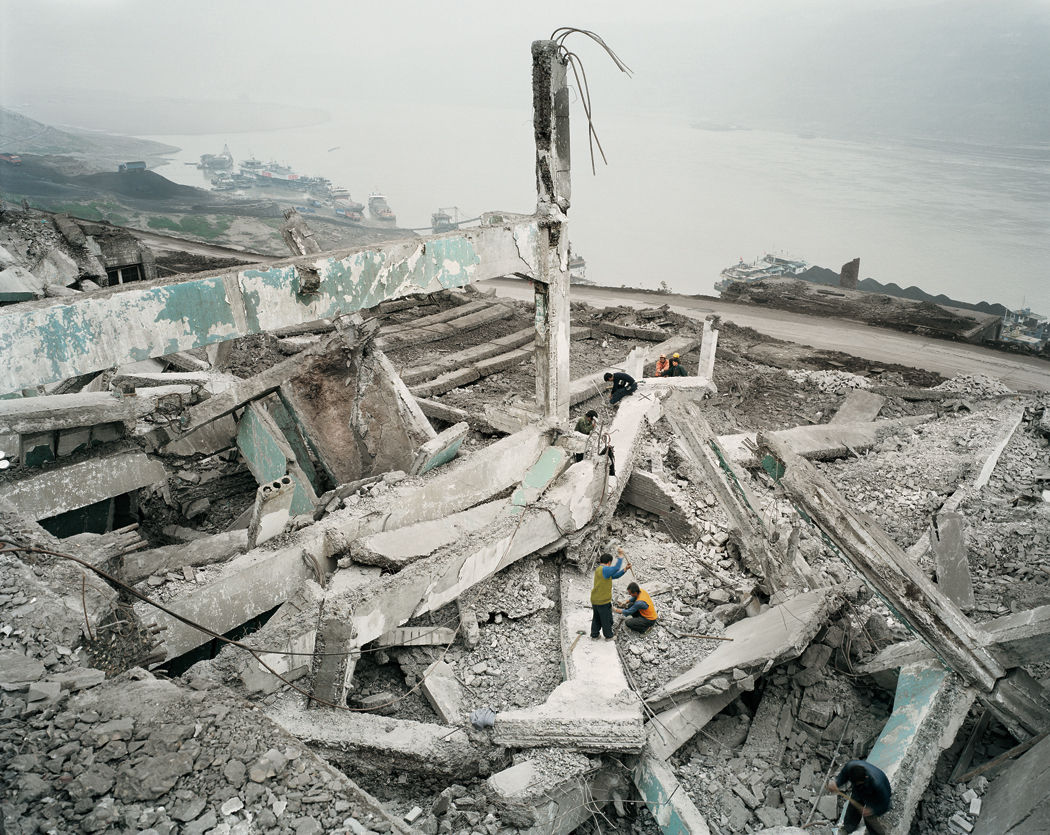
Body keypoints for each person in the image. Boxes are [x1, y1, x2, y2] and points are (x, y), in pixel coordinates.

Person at [827, 760, 892, 833]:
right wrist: (836, 783)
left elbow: (885, 803)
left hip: (874, 793)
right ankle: (848, 827)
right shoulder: (850, 767)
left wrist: (873, 810)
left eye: (858, 783)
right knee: (854, 804)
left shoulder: (878, 784)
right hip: (860, 788)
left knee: (869, 816)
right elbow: (842, 777)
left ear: (866, 777)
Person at [590, 548, 630, 639]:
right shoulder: (605, 569)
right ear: (609, 562)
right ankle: (609, 636)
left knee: (596, 618)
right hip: (603, 601)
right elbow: (616, 568)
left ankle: (594, 635)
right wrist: (621, 556)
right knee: (606, 619)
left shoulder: (599, 569)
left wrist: (625, 569)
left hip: (595, 599)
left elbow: (615, 576)